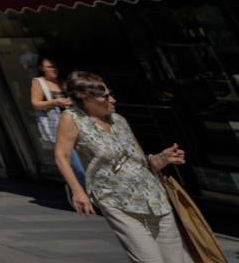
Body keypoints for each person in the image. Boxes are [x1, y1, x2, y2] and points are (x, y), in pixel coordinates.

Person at [55, 71, 190, 263]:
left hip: (154, 197)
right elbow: (61, 156)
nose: (112, 99)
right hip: (115, 200)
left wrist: (164, 158)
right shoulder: (72, 118)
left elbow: (140, 161)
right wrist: (78, 191)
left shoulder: (119, 120)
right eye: (105, 96)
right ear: (85, 98)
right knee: (149, 259)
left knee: (177, 260)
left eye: (111, 94)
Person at [32, 55, 86, 191]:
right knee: (75, 162)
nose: (53, 69)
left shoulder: (63, 82)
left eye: (55, 66)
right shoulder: (39, 82)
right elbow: (35, 103)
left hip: (76, 124)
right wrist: (55, 102)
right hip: (58, 126)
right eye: (49, 67)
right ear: (41, 68)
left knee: (83, 159)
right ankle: (78, 190)